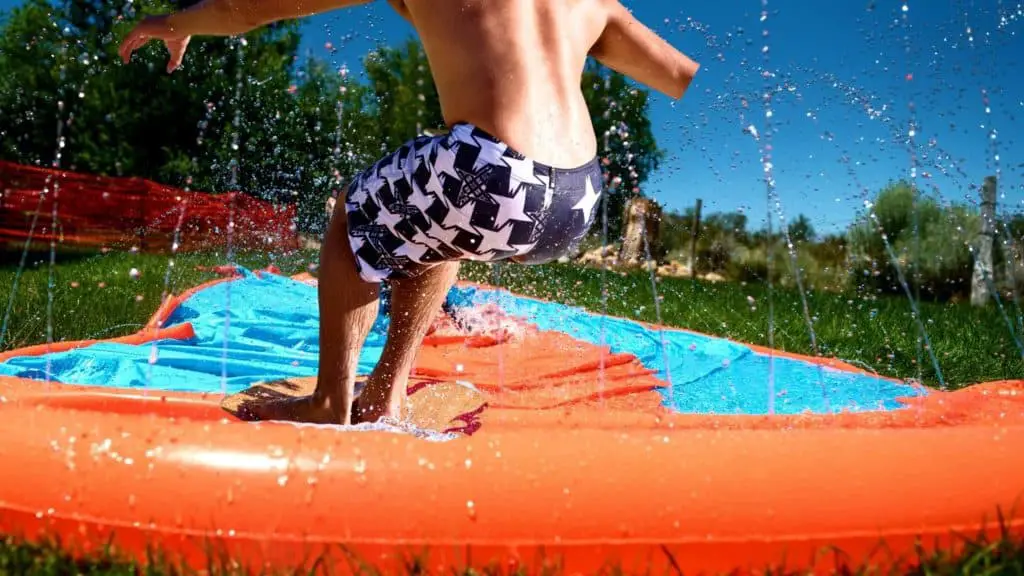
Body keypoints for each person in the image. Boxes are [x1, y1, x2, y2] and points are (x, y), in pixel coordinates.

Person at [119, 0, 699, 425]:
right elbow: (678, 75)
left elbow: (247, 9)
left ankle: (329, 401)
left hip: (496, 176)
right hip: (578, 197)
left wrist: (168, 24)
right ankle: (385, 393)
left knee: (355, 214)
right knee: (430, 217)